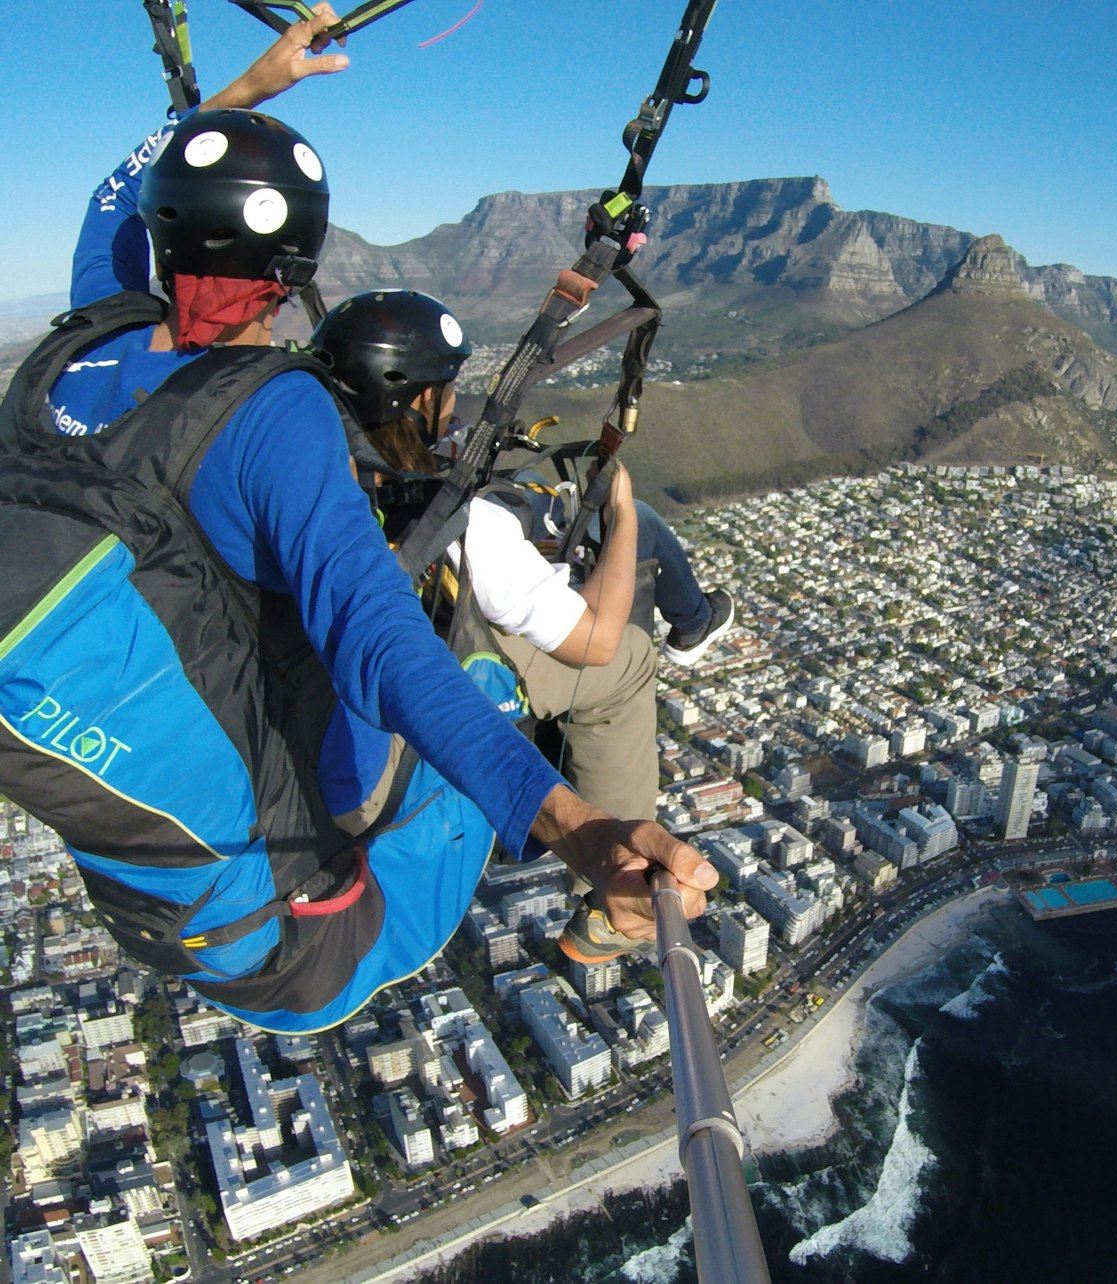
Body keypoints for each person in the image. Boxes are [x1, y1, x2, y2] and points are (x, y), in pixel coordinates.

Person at [14, 9, 716, 1028]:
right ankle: (593, 900)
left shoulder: (72, 354)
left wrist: (236, 100)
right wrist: (577, 830)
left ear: (161, 237)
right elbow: (376, 640)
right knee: (517, 666)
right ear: (297, 272)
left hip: (167, 875)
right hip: (321, 913)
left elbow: (113, 203)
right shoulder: (268, 413)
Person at [311, 289, 734, 825]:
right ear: (418, 402)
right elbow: (597, 643)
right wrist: (622, 510)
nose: (452, 403)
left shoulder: (320, 481)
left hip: (345, 680)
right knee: (628, 656)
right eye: (447, 391)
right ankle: (613, 883)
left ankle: (694, 620)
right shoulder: (461, 527)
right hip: (418, 700)